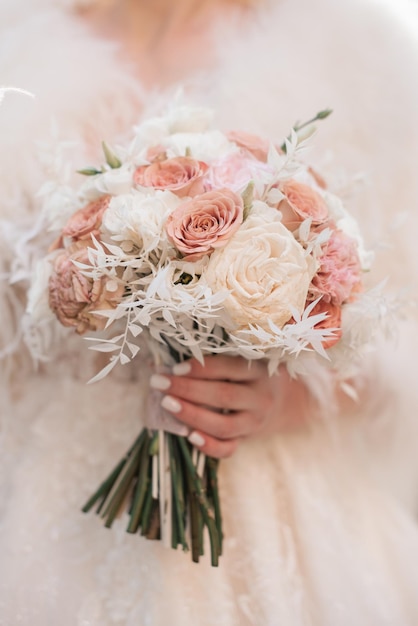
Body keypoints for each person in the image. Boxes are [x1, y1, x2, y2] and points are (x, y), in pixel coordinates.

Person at [1, 0, 418, 624]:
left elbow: (402, 317)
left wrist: (293, 395)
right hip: (53, 486)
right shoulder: (16, 50)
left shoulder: (352, 55)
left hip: (277, 497)